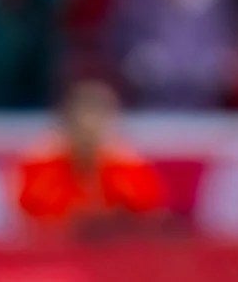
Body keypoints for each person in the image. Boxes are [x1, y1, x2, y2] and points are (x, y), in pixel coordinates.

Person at [16, 80, 165, 237]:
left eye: (98, 120)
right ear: (66, 123)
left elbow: (150, 223)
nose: (88, 129)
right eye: (80, 121)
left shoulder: (132, 171)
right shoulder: (39, 170)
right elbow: (24, 225)